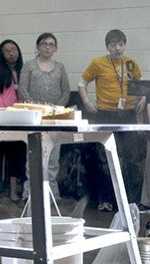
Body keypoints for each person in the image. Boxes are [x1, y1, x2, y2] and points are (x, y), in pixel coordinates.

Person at [78, 29, 146, 212]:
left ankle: (130, 202)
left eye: (121, 44)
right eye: (113, 45)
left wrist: (142, 99)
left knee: (130, 159)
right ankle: (105, 200)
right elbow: (81, 83)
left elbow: (141, 86)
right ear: (107, 47)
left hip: (128, 115)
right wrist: (87, 102)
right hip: (105, 114)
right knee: (105, 158)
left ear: (124, 45)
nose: (117, 48)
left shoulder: (131, 63)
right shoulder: (98, 63)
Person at [18, 32, 70, 202]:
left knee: (53, 157)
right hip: (34, 117)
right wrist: (37, 107)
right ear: (38, 46)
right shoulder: (29, 66)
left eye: (51, 44)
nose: (48, 47)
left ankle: (52, 194)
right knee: (33, 155)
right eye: (44, 43)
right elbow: (23, 90)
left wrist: (55, 109)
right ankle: (30, 193)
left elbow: (66, 92)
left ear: (55, 48)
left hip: (55, 117)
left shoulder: (60, 67)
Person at [0, 39, 26, 203]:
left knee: (16, 156)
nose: (11, 53)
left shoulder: (23, 70)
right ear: (2, 54)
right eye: (7, 51)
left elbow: (24, 95)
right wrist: (5, 113)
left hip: (19, 120)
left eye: (14, 49)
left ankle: (13, 192)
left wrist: (21, 112)